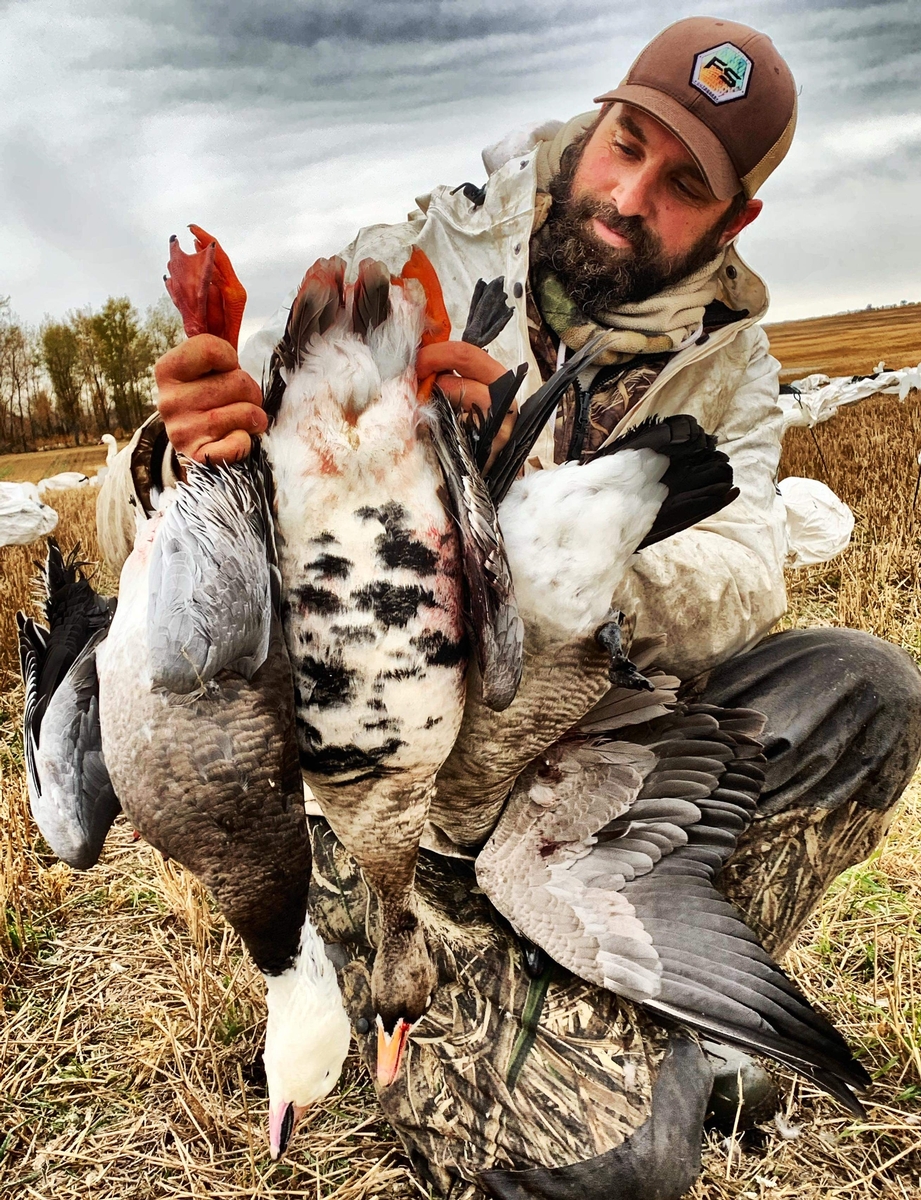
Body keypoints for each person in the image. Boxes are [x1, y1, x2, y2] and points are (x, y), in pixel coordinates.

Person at [97, 16, 921, 1199]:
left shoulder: (730, 365)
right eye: (626, 144)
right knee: (622, 1173)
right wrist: (184, 461)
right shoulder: (412, 261)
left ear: (733, 221)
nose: (631, 193)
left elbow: (747, 574)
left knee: (868, 689)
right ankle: (482, 1002)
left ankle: (645, 979)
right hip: (395, 798)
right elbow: (158, 559)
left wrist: (558, 564)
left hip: (581, 752)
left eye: (683, 185)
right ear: (597, 121)